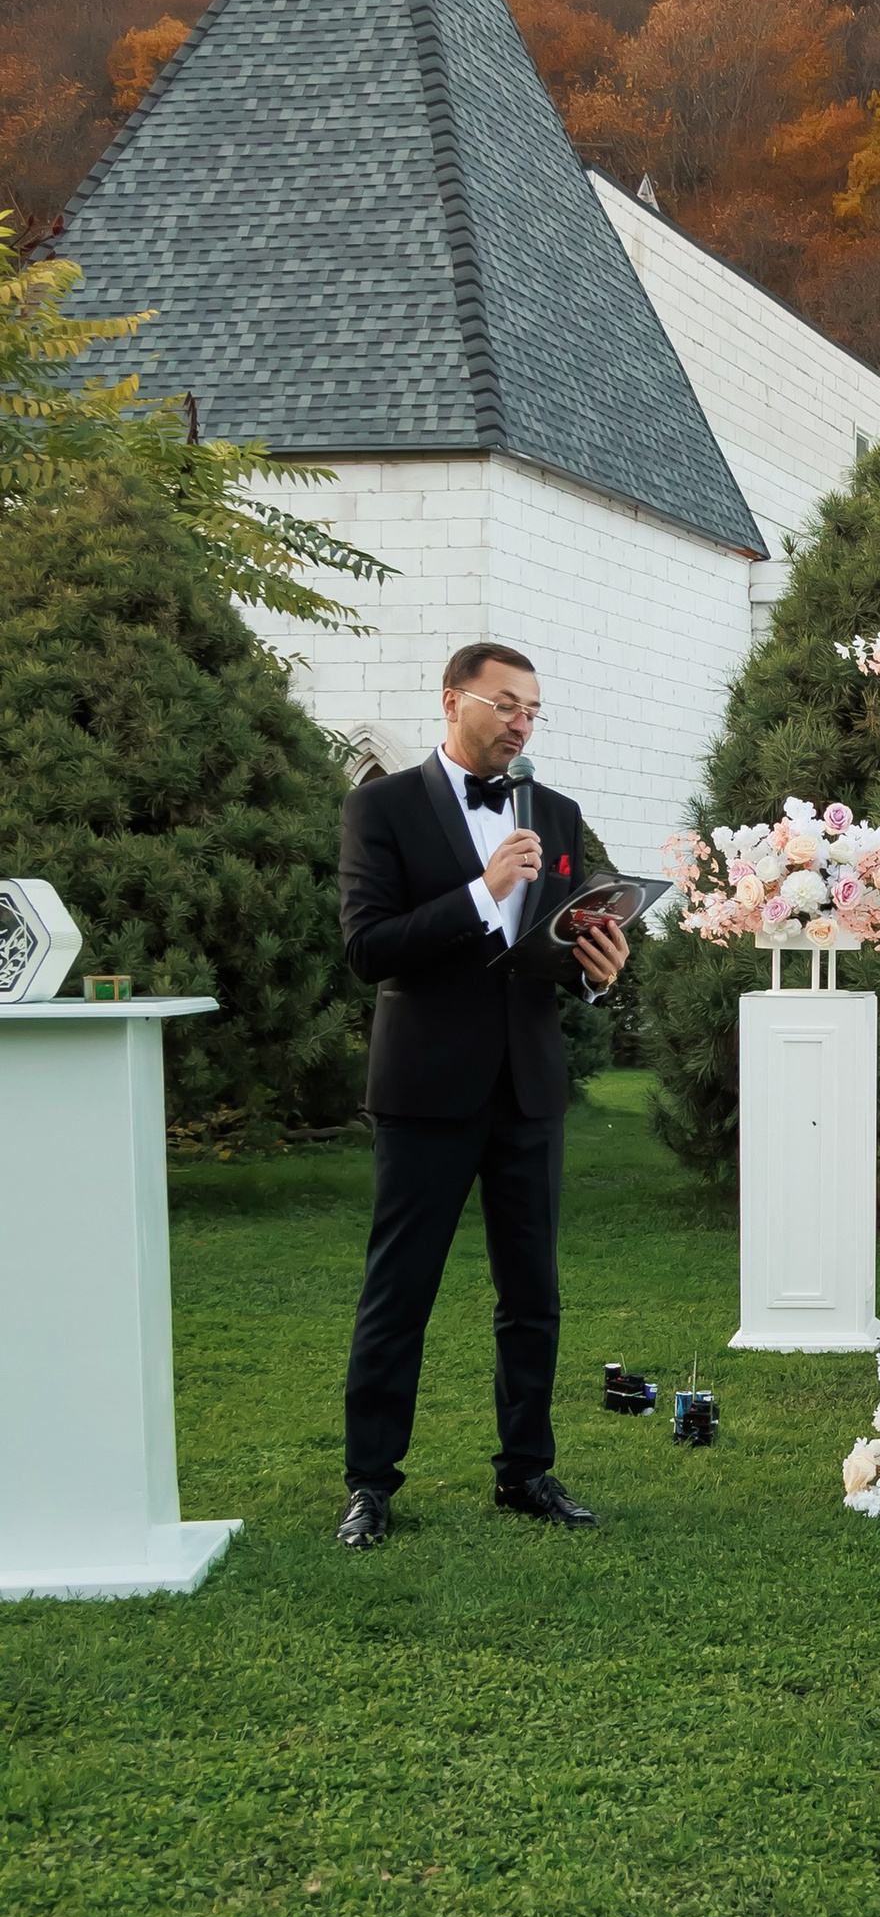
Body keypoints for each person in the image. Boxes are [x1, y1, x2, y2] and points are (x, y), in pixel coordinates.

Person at [334, 641, 630, 1550]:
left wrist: (596, 971)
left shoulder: (558, 812)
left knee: (532, 1292)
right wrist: (482, 889)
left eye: (533, 710)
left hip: (527, 1083)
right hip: (426, 1086)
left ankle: (525, 1471)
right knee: (401, 1290)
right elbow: (369, 949)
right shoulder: (379, 807)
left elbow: (559, 939)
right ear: (454, 700)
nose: (520, 723)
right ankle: (370, 1486)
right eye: (506, 705)